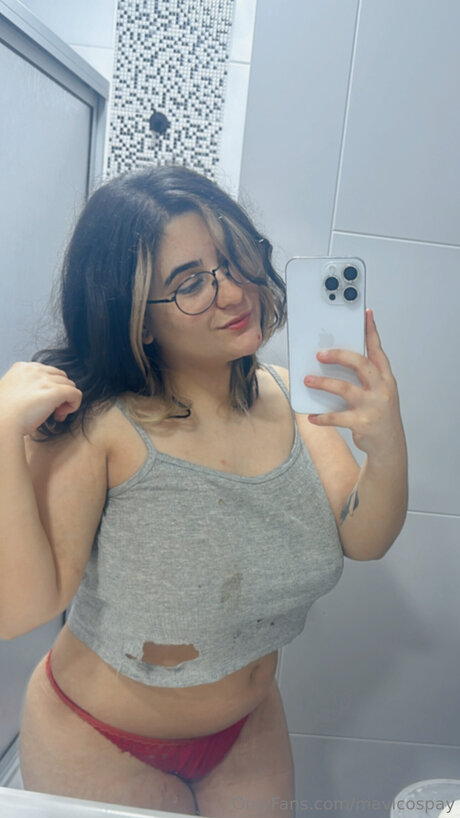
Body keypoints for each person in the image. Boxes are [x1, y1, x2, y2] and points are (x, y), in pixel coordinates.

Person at [0, 164, 408, 817]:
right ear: (138, 321)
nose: (234, 291)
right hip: (97, 740)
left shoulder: (291, 396)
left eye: (233, 259)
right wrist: (2, 434)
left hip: (248, 728)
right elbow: (17, 611)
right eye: (190, 283)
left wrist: (385, 443)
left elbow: (364, 538)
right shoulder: (101, 426)